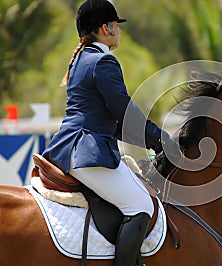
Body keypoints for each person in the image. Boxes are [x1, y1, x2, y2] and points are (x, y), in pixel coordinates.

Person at [42, 1, 169, 265]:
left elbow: (112, 120)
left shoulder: (80, 60)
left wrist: (154, 142)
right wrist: (160, 138)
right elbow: (124, 111)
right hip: (88, 152)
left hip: (68, 147)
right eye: (116, 26)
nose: (119, 32)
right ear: (105, 28)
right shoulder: (103, 61)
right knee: (142, 206)